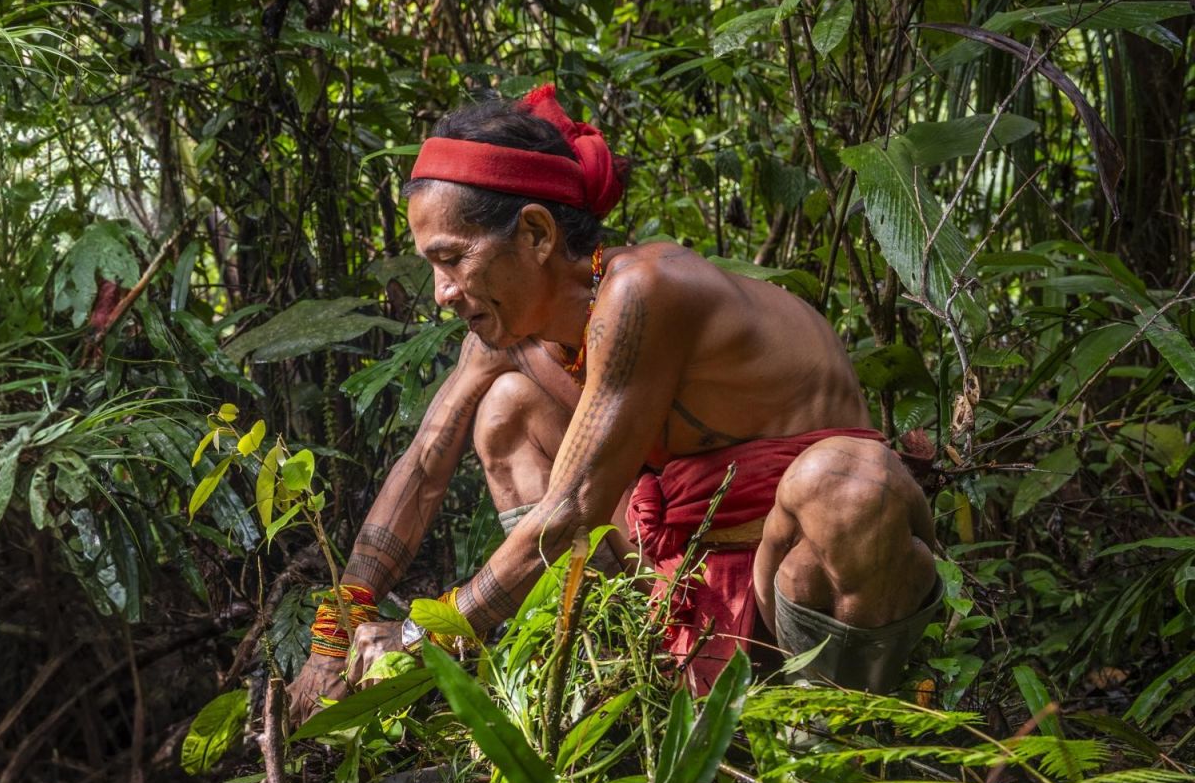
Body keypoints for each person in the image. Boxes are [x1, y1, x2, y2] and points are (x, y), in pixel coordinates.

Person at [287, 85, 941, 723]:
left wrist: (420, 635)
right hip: (680, 569)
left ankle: (843, 726)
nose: (441, 292)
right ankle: (616, 671)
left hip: (804, 566)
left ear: (537, 235)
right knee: (505, 409)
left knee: (842, 485)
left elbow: (569, 512)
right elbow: (424, 465)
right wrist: (332, 636)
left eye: (452, 259)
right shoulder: (512, 332)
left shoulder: (642, 291)